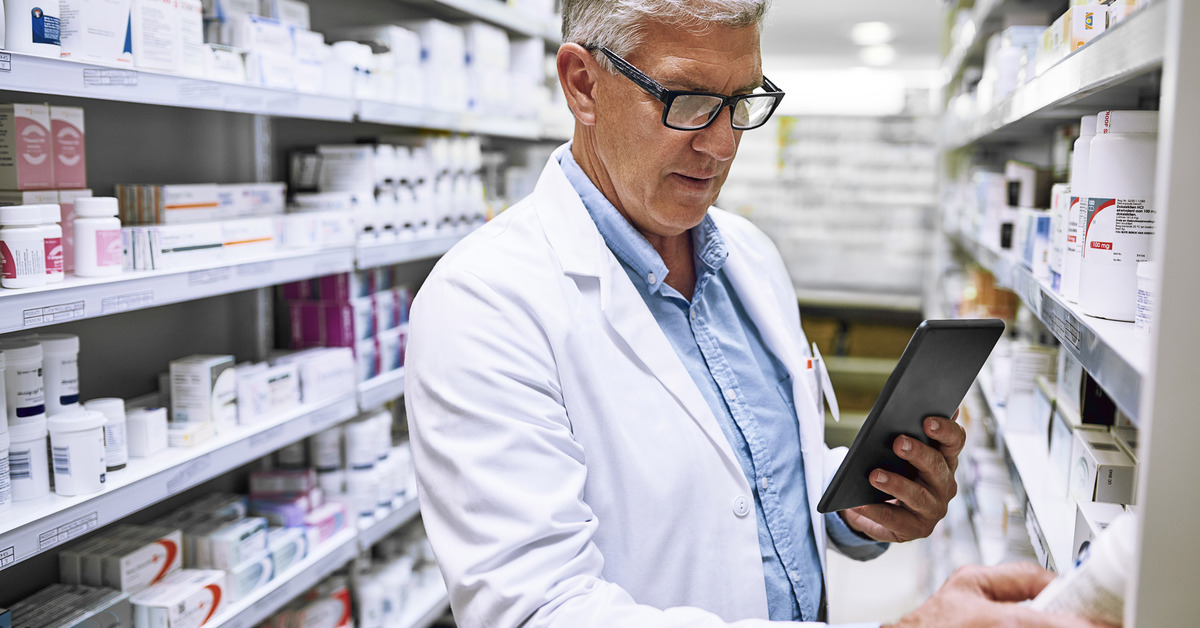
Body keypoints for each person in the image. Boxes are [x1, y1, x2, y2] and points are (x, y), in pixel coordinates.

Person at [404, 1, 1111, 626]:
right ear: (582, 84)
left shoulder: (748, 256)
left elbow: (765, 476)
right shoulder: (482, 304)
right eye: (685, 100)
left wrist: (865, 502)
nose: (721, 144)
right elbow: (537, 610)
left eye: (741, 100)